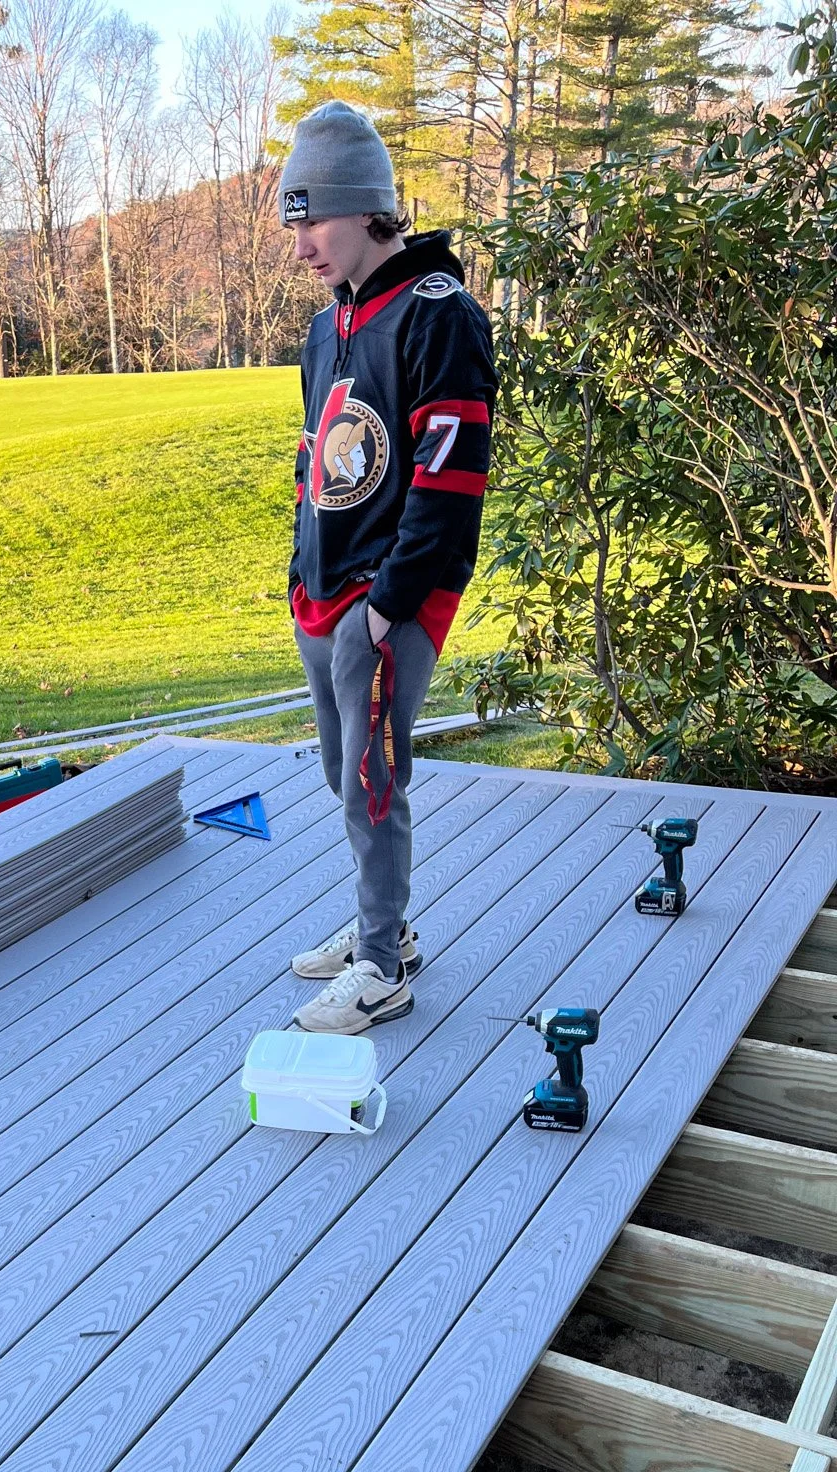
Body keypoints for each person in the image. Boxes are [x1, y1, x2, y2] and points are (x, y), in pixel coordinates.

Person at [279, 103, 497, 1034]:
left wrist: (387, 606)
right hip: (323, 592)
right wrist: (301, 572)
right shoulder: (328, 328)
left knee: (373, 777)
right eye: (293, 227)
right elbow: (315, 458)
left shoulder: (438, 316)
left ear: (369, 209)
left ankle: (379, 969)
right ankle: (389, 929)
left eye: (314, 223)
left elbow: (450, 484)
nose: (302, 248)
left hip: (389, 596)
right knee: (343, 771)